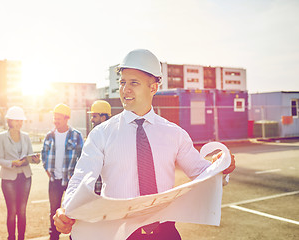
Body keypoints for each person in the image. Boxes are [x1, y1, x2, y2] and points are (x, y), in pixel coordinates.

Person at [53, 49, 236, 240]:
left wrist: (222, 167)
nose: (125, 89)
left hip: (164, 233)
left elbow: (202, 172)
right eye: (123, 82)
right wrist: (67, 209)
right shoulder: (101, 134)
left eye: (134, 83)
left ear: (153, 88)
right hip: (119, 234)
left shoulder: (174, 134)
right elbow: (82, 177)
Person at [0, 106, 40, 240]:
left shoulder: (26, 137)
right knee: (12, 211)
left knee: (22, 211)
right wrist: (12, 163)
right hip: (9, 178)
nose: (19, 123)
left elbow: (30, 155)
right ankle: (11, 238)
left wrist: (35, 160)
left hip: (25, 177)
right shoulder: (1, 137)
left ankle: (21, 238)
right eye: (16, 121)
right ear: (9, 121)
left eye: (21, 121)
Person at [41, 103, 84, 240]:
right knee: (54, 210)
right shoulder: (49, 136)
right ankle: (54, 236)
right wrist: (47, 169)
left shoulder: (76, 135)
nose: (55, 121)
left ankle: (75, 235)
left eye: (58, 118)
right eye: (54, 118)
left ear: (66, 118)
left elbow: (82, 157)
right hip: (54, 180)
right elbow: (44, 154)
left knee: (72, 209)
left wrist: (75, 176)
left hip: (71, 180)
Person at [87, 100, 112, 195]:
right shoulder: (93, 136)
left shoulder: (113, 136)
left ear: (103, 117)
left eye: (94, 116)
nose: (91, 120)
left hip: (107, 188)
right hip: (94, 186)